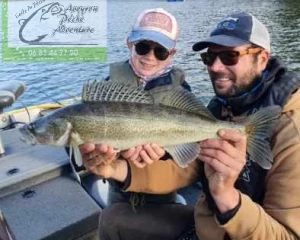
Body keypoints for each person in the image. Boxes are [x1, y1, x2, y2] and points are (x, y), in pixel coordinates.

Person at [83, 11, 300, 239]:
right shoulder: (223, 107)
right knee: (112, 218)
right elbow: (188, 168)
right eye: (209, 58)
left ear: (263, 58)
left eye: (229, 57)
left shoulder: (292, 132)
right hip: (205, 226)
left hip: (233, 231)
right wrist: (116, 170)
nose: (215, 67)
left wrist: (227, 196)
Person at [79, 8, 202, 209]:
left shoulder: (181, 91)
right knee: (113, 219)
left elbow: (186, 148)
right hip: (118, 189)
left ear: (172, 54)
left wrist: (164, 153)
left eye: (160, 51)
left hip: (161, 193)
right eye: (143, 47)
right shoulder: (109, 87)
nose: (149, 57)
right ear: (130, 43)